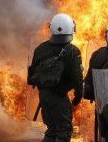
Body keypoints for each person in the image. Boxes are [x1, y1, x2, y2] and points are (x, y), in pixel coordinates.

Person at [28, 13, 83, 142]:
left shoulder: (40, 48)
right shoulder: (72, 51)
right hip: (59, 97)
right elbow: (77, 78)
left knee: (51, 130)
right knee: (64, 131)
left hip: (44, 97)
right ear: (71, 29)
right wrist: (78, 96)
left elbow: (32, 74)